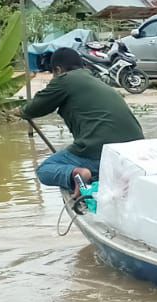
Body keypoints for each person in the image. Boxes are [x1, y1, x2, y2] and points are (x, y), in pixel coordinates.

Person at [21, 46, 144, 192]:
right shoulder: (97, 80)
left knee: (45, 170)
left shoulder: (65, 80)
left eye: (53, 73)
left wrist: (19, 111)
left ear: (58, 70)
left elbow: (34, 109)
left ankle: (78, 173)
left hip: (100, 151)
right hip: (134, 151)